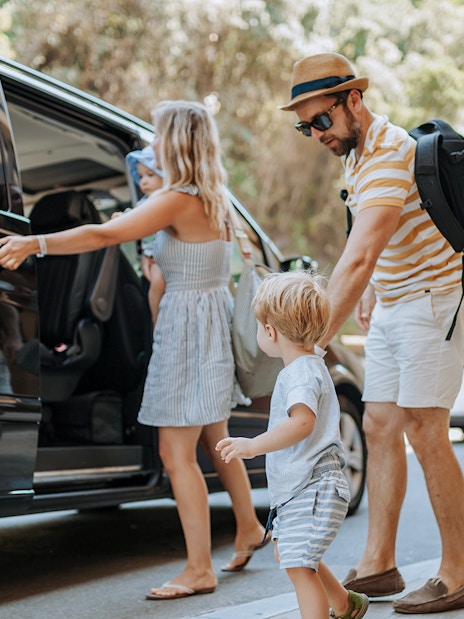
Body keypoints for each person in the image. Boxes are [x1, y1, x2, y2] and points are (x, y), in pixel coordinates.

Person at [0, 100, 268, 600]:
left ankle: (198, 569)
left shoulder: (174, 199)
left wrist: (33, 244)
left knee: (174, 452)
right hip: (205, 324)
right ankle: (250, 526)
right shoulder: (212, 199)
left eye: (159, 135)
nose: (152, 145)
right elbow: (179, 267)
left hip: (187, 332)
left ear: (176, 142)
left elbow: (103, 234)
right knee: (216, 437)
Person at [279, 52, 464, 614]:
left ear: (353, 100)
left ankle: (457, 569)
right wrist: (375, 294)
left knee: (424, 427)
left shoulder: (388, 155)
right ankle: (380, 562)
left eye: (322, 121)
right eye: (305, 125)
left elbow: (357, 258)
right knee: (380, 424)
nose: (316, 134)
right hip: (395, 304)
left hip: (435, 302)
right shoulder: (355, 155)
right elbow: (379, 240)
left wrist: (308, 342)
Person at [216, 271, 369, 619]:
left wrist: (252, 445)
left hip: (313, 487)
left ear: (270, 332)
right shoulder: (311, 360)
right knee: (295, 556)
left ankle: (333, 609)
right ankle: (345, 604)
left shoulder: (299, 372)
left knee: (299, 566)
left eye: (259, 325)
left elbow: (302, 422)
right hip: (304, 488)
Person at [125, 145, 165, 326]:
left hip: (164, 255)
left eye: (150, 175)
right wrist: (122, 217)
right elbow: (134, 217)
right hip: (152, 255)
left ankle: (157, 318)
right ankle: (155, 319)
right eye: (141, 177)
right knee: (156, 282)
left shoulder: (166, 202)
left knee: (157, 281)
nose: (144, 182)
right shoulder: (144, 203)